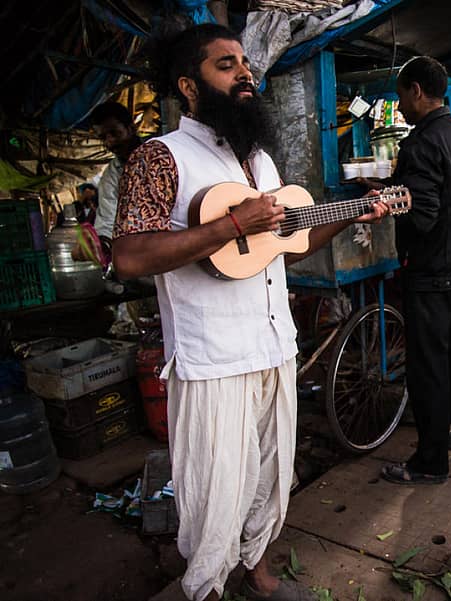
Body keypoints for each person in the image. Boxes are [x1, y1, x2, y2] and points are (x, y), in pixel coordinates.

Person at [112, 24, 387, 601]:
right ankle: (207, 587)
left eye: (245, 63)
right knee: (216, 488)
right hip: (212, 357)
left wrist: (350, 214)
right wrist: (232, 224)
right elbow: (131, 256)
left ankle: (257, 573)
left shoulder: (260, 161)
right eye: (226, 65)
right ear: (189, 86)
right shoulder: (160, 157)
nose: (245, 74)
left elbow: (286, 246)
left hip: (273, 345)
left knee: (270, 473)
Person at [379, 56, 451, 485]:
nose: (401, 107)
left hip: (430, 273)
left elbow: (423, 216)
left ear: (416, 91)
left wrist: (389, 206)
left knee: (428, 367)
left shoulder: (421, 144)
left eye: (401, 97)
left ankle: (430, 462)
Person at [91, 101, 142, 250]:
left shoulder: (162, 156)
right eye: (103, 138)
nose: (110, 142)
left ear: (131, 129)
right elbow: (107, 220)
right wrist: (102, 244)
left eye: (115, 133)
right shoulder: (111, 176)